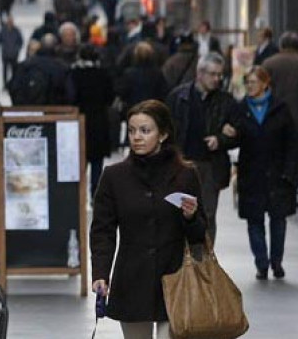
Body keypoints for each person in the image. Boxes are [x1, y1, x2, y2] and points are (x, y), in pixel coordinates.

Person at [90, 100, 206, 339]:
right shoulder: (114, 177)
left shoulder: (185, 175)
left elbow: (199, 235)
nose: (137, 137)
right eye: (132, 130)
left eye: (145, 130)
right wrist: (101, 273)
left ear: (163, 134)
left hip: (174, 279)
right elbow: (103, 230)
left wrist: (191, 217)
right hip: (132, 280)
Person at [225, 66, 298, 280]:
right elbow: (235, 137)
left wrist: (290, 172)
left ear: (265, 84)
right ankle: (262, 263)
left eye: (254, 82)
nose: (249, 86)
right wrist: (230, 132)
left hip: (277, 174)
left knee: (278, 220)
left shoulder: (280, 108)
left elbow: (292, 144)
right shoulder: (240, 109)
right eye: (247, 82)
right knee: (254, 221)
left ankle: (277, 262)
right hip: (251, 172)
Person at [165, 53, 236, 242]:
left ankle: (204, 262)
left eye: (220, 75)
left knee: (207, 214)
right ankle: (181, 262)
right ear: (199, 73)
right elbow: (166, 130)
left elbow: (239, 133)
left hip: (210, 166)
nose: (217, 79)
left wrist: (221, 140)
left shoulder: (225, 101)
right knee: (179, 212)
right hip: (182, 163)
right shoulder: (178, 97)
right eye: (212, 74)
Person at [262, 32, 298, 198]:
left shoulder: (269, 63)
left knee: (275, 153)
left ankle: (275, 186)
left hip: (274, 118)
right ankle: (292, 188)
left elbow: (261, 90)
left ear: (281, 46)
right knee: (296, 156)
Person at [69, 45, 115, 197]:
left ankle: (77, 193)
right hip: (98, 122)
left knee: (79, 159)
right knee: (97, 161)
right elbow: (110, 97)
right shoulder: (103, 74)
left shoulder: (74, 74)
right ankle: (94, 193)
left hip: (79, 122)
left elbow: (71, 97)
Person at [117, 42, 169, 114]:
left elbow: (122, 92)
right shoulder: (157, 73)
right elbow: (163, 92)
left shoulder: (129, 73)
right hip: (152, 109)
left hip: (133, 108)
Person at [0, 15, 24, 89]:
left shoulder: (16, 31)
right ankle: (5, 85)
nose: (10, 23)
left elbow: (21, 41)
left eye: (11, 22)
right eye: (9, 22)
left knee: (14, 71)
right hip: (5, 54)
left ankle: (13, 84)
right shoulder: (3, 31)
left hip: (14, 55)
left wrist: (17, 49)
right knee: (5, 71)